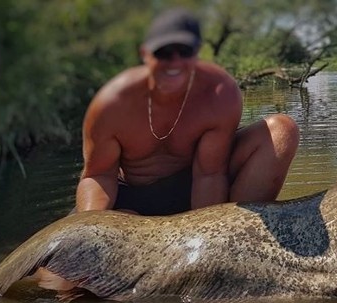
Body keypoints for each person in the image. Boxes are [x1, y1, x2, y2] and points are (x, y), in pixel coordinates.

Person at [76, 8, 299, 215]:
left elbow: (209, 174)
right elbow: (98, 175)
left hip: (194, 184)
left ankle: (237, 227)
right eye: (163, 52)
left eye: (184, 51)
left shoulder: (220, 93)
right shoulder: (112, 103)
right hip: (130, 195)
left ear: (197, 53)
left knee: (282, 130)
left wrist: (206, 231)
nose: (174, 62)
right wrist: (92, 227)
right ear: (145, 53)